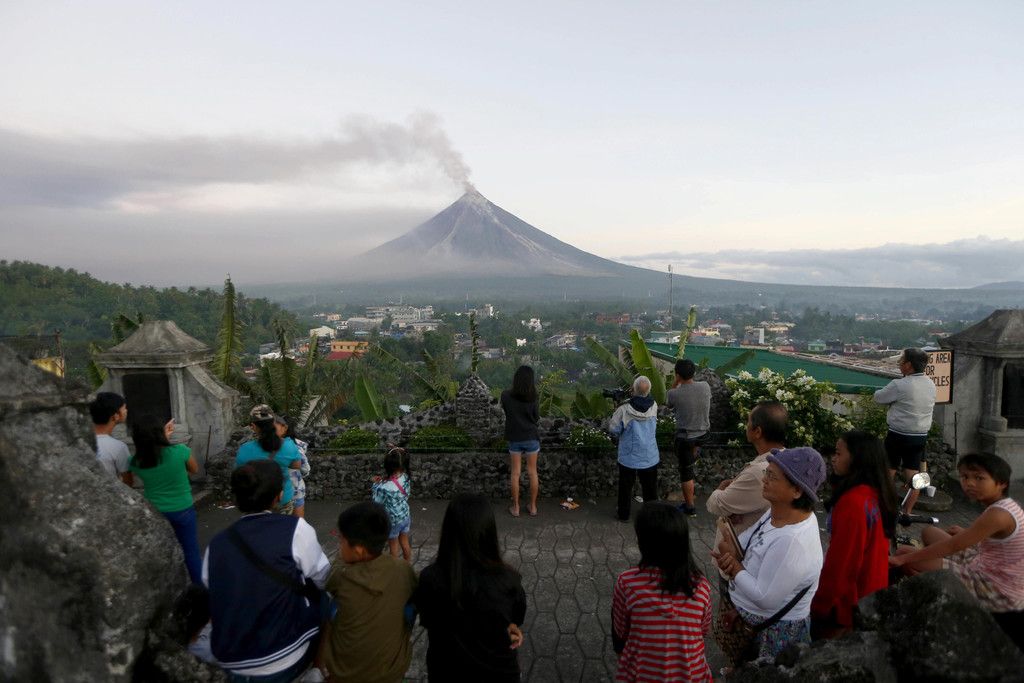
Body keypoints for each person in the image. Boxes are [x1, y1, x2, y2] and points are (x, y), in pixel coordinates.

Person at [204, 460, 330, 682]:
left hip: (231, 659)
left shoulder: (217, 543)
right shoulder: (295, 529)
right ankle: (317, 669)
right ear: (279, 495)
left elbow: (210, 594)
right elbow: (323, 577)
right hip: (284, 656)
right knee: (329, 598)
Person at [713, 447, 826, 663]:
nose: (764, 479)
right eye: (766, 472)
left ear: (796, 491)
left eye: (772, 476)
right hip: (752, 622)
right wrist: (731, 549)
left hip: (772, 632)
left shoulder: (792, 541)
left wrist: (735, 568)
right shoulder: (776, 511)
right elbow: (749, 539)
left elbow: (765, 598)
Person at [890, 453, 1024, 613]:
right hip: (984, 563)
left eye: (979, 478)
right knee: (930, 532)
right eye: (965, 477)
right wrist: (967, 533)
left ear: (1001, 483)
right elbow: (1001, 543)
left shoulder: (998, 514)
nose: (969, 483)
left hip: (995, 589)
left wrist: (901, 559)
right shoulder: (1006, 505)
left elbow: (952, 546)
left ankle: (938, 600)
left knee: (904, 554)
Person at [413, 493, 526, 682]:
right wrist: (510, 626)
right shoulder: (508, 581)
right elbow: (516, 617)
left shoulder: (430, 579)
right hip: (499, 672)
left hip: (445, 671)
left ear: (448, 531)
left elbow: (427, 619)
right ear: (489, 532)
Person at [613, 502, 713, 682]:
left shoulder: (627, 583)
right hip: (693, 676)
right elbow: (703, 631)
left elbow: (620, 632)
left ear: (645, 543)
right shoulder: (701, 585)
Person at [811, 430, 897, 639]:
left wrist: (819, 606)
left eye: (839, 453)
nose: (833, 458)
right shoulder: (875, 494)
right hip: (872, 595)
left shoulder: (854, 503)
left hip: (850, 607)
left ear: (857, 458)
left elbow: (842, 564)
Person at [321, 501, 417, 683]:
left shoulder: (341, 577)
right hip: (393, 671)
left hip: (344, 675)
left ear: (358, 550)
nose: (339, 544)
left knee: (326, 606)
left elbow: (329, 584)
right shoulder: (403, 569)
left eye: (341, 540)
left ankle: (319, 667)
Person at [130, 413, 202, 584]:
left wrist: (162, 439)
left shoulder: (135, 461)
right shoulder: (180, 452)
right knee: (190, 551)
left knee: (163, 550)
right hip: (182, 509)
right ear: (160, 433)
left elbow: (128, 483)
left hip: (155, 511)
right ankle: (200, 589)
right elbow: (194, 470)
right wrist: (165, 440)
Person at [706, 401, 788, 534]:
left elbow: (717, 505)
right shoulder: (785, 460)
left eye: (748, 422)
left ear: (757, 432)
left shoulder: (759, 472)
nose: (746, 426)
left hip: (739, 548)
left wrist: (719, 490)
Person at [873, 348, 936, 515]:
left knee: (888, 471)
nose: (900, 364)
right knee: (915, 475)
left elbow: (878, 397)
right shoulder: (930, 384)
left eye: (902, 361)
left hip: (898, 434)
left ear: (908, 365)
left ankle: (883, 508)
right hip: (920, 436)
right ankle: (907, 511)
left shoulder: (900, 385)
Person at [235, 405, 301, 515]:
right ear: (273, 422)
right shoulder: (289, 446)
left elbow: (239, 475)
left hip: (256, 502)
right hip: (282, 499)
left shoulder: (244, 449)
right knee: (281, 531)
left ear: (253, 426)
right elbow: (296, 466)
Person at [610, 376, 660, 522]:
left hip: (628, 456)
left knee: (625, 487)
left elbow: (614, 429)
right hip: (649, 455)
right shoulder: (654, 406)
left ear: (633, 389)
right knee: (650, 488)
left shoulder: (624, 409)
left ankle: (623, 514)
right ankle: (651, 516)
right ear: (649, 390)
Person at [665, 359, 711, 517]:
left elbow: (668, 404)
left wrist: (675, 383)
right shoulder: (705, 386)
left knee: (686, 473)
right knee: (692, 455)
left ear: (678, 375)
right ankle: (696, 454)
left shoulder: (674, 393)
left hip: (686, 437)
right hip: (704, 434)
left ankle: (690, 507)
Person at [501, 365, 540, 517]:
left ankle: (516, 508)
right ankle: (533, 507)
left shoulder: (505, 396)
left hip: (514, 437)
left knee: (515, 473)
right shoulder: (534, 397)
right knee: (532, 473)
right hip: (531, 437)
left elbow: (507, 412)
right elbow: (536, 417)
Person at [371, 446, 413, 561]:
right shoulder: (406, 477)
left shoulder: (384, 487)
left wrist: (375, 485)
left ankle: (395, 570)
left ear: (387, 466)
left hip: (393, 521)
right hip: (405, 516)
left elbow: (376, 502)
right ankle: (407, 567)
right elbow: (406, 494)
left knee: (394, 546)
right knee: (405, 543)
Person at [90, 391, 133, 485]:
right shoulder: (118, 447)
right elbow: (128, 482)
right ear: (115, 416)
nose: (126, 411)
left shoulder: (84, 442)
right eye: (124, 408)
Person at [274, 414, 310, 518]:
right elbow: (305, 469)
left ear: (284, 428)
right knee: (297, 525)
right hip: (296, 489)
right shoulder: (297, 446)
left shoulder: (271, 446)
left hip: (277, 492)